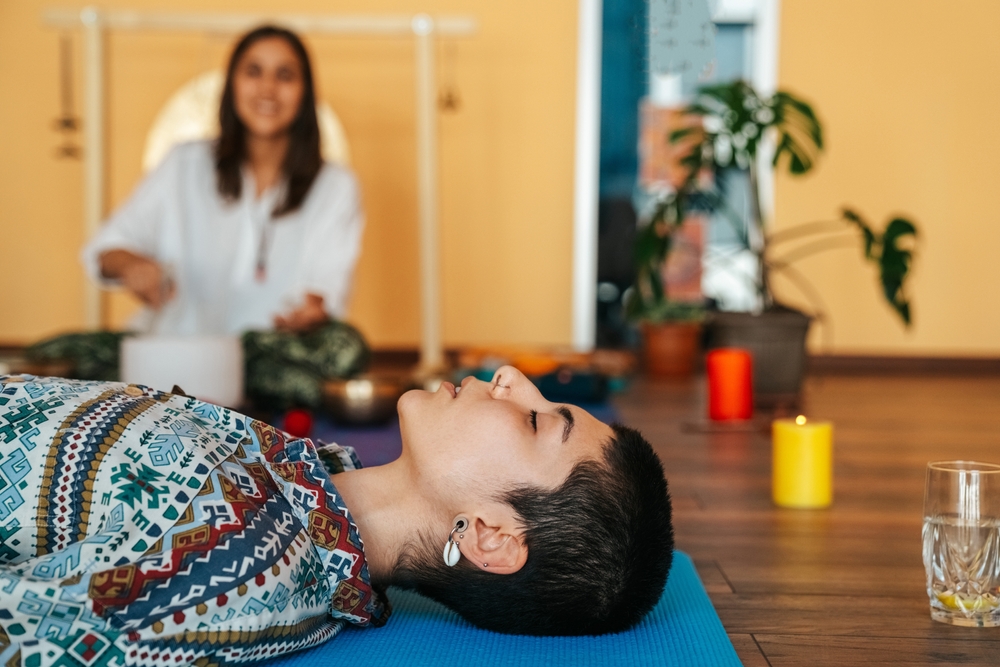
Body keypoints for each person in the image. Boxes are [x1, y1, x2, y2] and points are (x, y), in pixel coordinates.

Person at [0, 366, 673, 666]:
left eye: (535, 419)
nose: (508, 374)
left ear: (490, 534)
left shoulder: (242, 557)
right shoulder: (297, 479)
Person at [31, 26, 369, 409]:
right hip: (172, 350)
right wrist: (133, 265)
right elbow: (104, 251)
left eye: (285, 75)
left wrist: (312, 311)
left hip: (263, 357)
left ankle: (188, 397)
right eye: (253, 71)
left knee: (347, 347)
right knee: (49, 355)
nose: (268, 89)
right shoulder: (184, 163)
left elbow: (326, 294)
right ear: (231, 84)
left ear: (305, 92)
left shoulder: (335, 185)